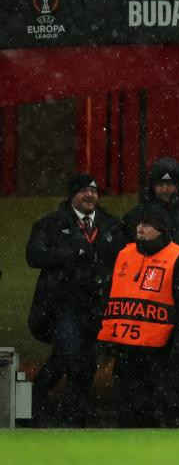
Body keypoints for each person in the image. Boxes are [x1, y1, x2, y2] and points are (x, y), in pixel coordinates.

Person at [26, 173, 124, 426]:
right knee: (68, 354)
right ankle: (40, 406)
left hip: (98, 305)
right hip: (62, 304)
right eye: (83, 191)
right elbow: (34, 255)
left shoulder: (112, 225)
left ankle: (71, 412)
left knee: (88, 360)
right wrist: (71, 254)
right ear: (72, 196)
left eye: (93, 191)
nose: (89, 195)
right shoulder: (50, 224)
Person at [98, 204, 179, 427]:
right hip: (127, 350)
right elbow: (111, 297)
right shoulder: (124, 254)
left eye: (146, 224)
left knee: (166, 412)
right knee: (127, 414)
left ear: (161, 228)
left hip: (162, 353)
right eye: (138, 224)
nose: (140, 229)